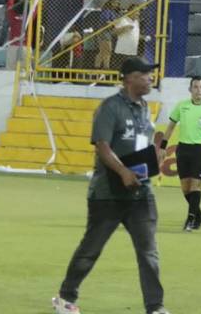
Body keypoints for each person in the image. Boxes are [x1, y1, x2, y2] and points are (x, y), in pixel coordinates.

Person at [54, 57, 166, 314]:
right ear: (129, 78)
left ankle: (155, 307)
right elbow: (102, 146)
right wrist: (123, 171)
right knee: (90, 250)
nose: (151, 78)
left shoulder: (145, 108)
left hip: (141, 192)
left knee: (149, 253)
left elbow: (140, 144)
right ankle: (65, 299)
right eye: (146, 73)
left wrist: (152, 158)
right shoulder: (109, 108)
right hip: (108, 193)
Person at [156, 76, 201, 231]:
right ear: (190, 89)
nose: (198, 90)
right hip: (183, 149)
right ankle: (199, 214)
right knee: (185, 188)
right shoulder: (181, 106)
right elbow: (171, 126)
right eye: (195, 87)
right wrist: (163, 146)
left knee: (195, 185)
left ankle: (190, 219)